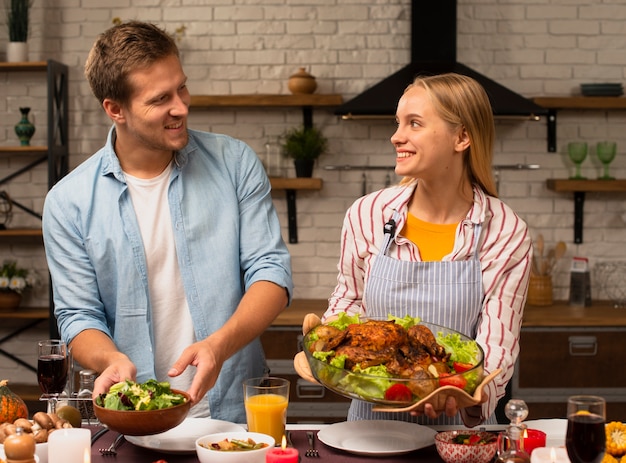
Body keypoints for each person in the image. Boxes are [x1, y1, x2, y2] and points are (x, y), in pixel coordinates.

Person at [42, 21, 293, 423]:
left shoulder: (235, 163)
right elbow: (78, 316)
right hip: (130, 414)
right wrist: (110, 358)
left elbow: (272, 274)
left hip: (233, 413)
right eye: (160, 99)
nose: (181, 106)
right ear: (115, 109)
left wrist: (218, 345)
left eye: (182, 88)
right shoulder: (68, 203)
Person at [295, 73, 531, 427]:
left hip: (456, 438)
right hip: (369, 430)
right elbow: (349, 301)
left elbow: (497, 349)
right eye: (398, 123)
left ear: (462, 137)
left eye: (414, 123)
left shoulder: (506, 232)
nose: (396, 136)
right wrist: (324, 344)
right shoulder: (368, 214)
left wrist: (461, 392)